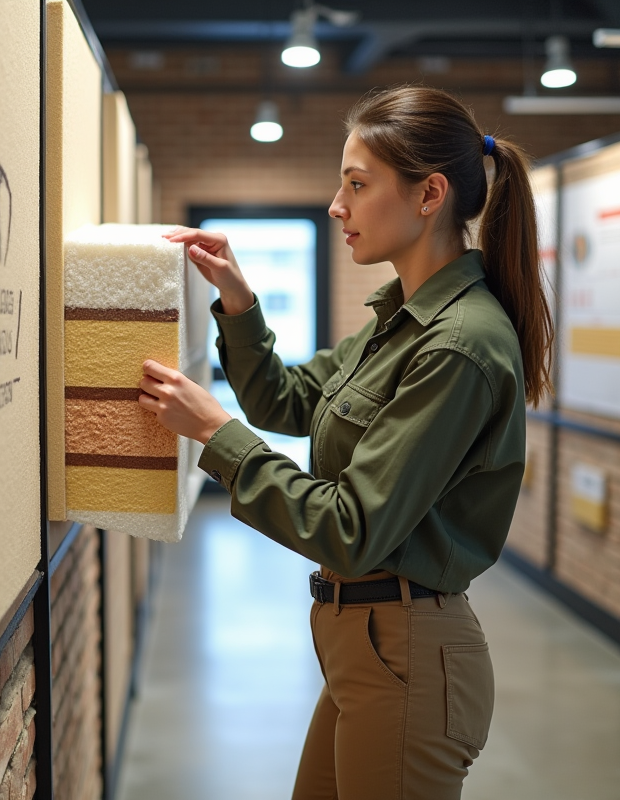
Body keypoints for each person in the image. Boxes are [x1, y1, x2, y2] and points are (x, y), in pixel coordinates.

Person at [136, 85, 553, 800]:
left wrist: (215, 433)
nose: (337, 206)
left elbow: (352, 528)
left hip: (408, 656)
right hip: (365, 648)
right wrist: (237, 300)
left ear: (430, 196)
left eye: (357, 185)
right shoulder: (402, 322)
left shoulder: (457, 345)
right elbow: (290, 400)